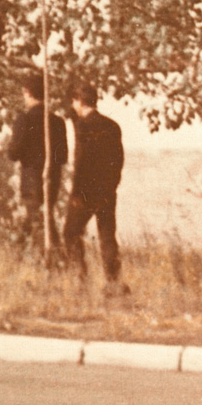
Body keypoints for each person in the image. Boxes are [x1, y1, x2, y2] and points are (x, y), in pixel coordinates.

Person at [63, 82, 125, 291]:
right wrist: (112, 185)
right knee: (107, 235)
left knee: (70, 233)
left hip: (86, 192)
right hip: (107, 190)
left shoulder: (83, 127)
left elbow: (81, 162)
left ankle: (80, 277)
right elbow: (119, 160)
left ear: (79, 101)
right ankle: (113, 280)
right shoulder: (112, 126)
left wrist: (76, 192)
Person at [5, 74, 68, 254]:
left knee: (38, 219)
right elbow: (62, 157)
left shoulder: (24, 119)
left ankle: (56, 260)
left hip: (32, 179)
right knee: (39, 218)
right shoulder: (57, 122)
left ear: (27, 93)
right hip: (52, 180)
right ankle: (20, 256)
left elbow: (13, 153)